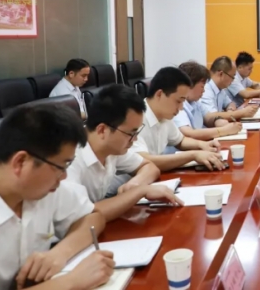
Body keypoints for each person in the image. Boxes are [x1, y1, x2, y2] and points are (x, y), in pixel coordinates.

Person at [0, 105, 115, 290]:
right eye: (61, 167)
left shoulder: (40, 187)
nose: (64, 176)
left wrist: (59, 253)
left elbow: (93, 217)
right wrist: (69, 282)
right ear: (21, 162)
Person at [65, 84, 183, 222]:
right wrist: (140, 191)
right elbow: (85, 215)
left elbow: (150, 167)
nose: (135, 139)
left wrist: (136, 183)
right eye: (131, 133)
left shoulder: (111, 148)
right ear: (102, 130)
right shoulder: (69, 160)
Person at [131, 67, 225, 172]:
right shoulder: (134, 118)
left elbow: (180, 141)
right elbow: (144, 161)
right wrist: (193, 155)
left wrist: (202, 145)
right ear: (159, 94)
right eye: (178, 101)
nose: (181, 108)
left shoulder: (165, 116)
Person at [175, 61, 242, 141]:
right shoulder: (178, 105)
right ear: (190, 85)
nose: (203, 90)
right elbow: (189, 134)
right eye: (202, 86)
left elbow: (208, 117)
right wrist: (223, 130)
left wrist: (217, 121)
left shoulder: (195, 102)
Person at [201, 56, 258, 122]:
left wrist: (230, 111)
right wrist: (241, 113)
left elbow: (230, 103)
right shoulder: (205, 90)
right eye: (232, 76)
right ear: (221, 74)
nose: (233, 80)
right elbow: (211, 116)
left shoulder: (220, 88)